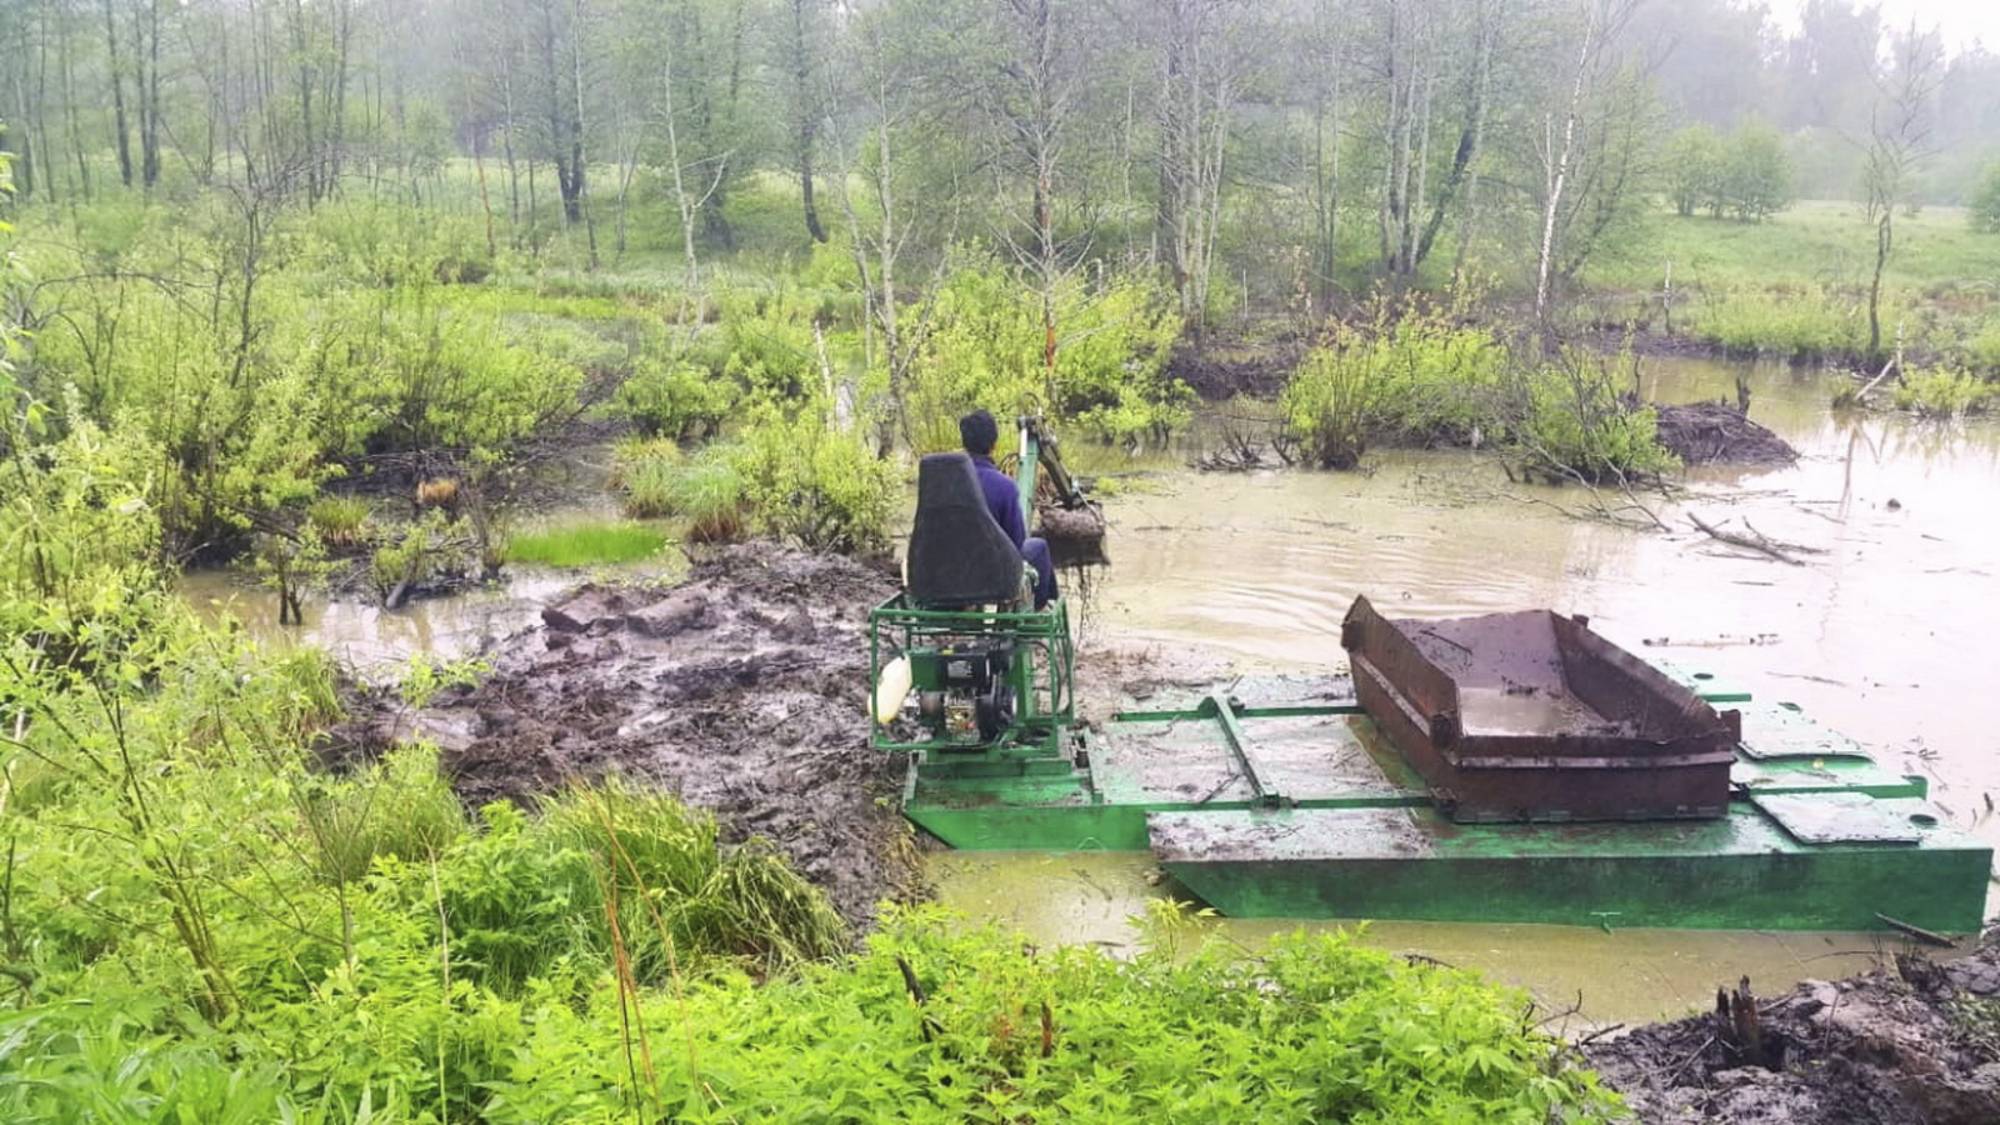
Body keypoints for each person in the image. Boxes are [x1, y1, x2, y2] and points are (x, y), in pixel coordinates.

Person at [959, 409, 1058, 608]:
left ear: (964, 443)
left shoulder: (943, 483)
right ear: (994, 443)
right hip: (993, 578)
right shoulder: (1004, 486)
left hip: (950, 572)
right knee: (1038, 546)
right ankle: (1039, 608)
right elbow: (1018, 543)